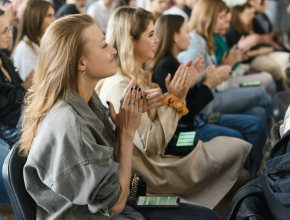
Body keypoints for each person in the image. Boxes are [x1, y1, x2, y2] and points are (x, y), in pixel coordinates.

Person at [21, 13, 220, 220]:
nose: (113, 50)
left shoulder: (88, 102)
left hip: (113, 209)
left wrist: (125, 122)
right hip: (101, 214)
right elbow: (115, 203)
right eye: (104, 45)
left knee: (204, 215)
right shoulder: (70, 123)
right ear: (81, 63)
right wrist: (126, 133)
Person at [98, 7, 252, 218]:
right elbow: (152, 144)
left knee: (239, 155)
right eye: (151, 34)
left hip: (161, 157)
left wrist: (181, 93)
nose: (157, 39)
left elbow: (160, 128)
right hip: (149, 173)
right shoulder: (121, 86)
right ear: (131, 40)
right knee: (239, 146)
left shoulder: (136, 76)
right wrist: (177, 98)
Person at [152, 14, 266, 178]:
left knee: (254, 122)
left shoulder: (173, 62)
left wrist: (202, 82)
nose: (190, 35)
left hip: (195, 120)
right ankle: (255, 181)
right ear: (175, 37)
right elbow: (185, 112)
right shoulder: (166, 67)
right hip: (185, 130)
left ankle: (258, 175)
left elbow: (186, 103)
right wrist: (207, 84)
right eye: (186, 31)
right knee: (240, 135)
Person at [178, 0, 271, 134]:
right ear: (207, 17)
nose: (224, 24)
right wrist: (227, 65)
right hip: (206, 103)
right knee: (261, 92)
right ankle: (276, 146)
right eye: (221, 18)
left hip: (213, 94)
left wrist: (228, 64)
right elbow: (193, 88)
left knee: (259, 112)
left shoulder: (205, 39)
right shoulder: (195, 43)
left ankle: (268, 151)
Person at [226, 3, 290, 91]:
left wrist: (265, 41)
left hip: (262, 52)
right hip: (251, 59)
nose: (252, 16)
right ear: (239, 15)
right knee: (275, 68)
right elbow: (240, 54)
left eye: (252, 14)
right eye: (248, 14)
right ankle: (284, 92)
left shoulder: (251, 25)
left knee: (286, 59)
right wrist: (260, 51)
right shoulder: (233, 32)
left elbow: (261, 38)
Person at [213, 8, 276, 96]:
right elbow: (225, 68)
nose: (226, 26)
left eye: (228, 22)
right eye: (248, 14)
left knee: (260, 106)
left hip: (236, 71)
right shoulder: (220, 37)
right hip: (228, 79)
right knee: (268, 80)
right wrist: (240, 49)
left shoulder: (220, 37)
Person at [13, 0, 55, 81]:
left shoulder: (43, 43)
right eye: (49, 15)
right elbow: (33, 83)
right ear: (36, 18)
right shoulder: (25, 48)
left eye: (53, 15)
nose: (54, 20)